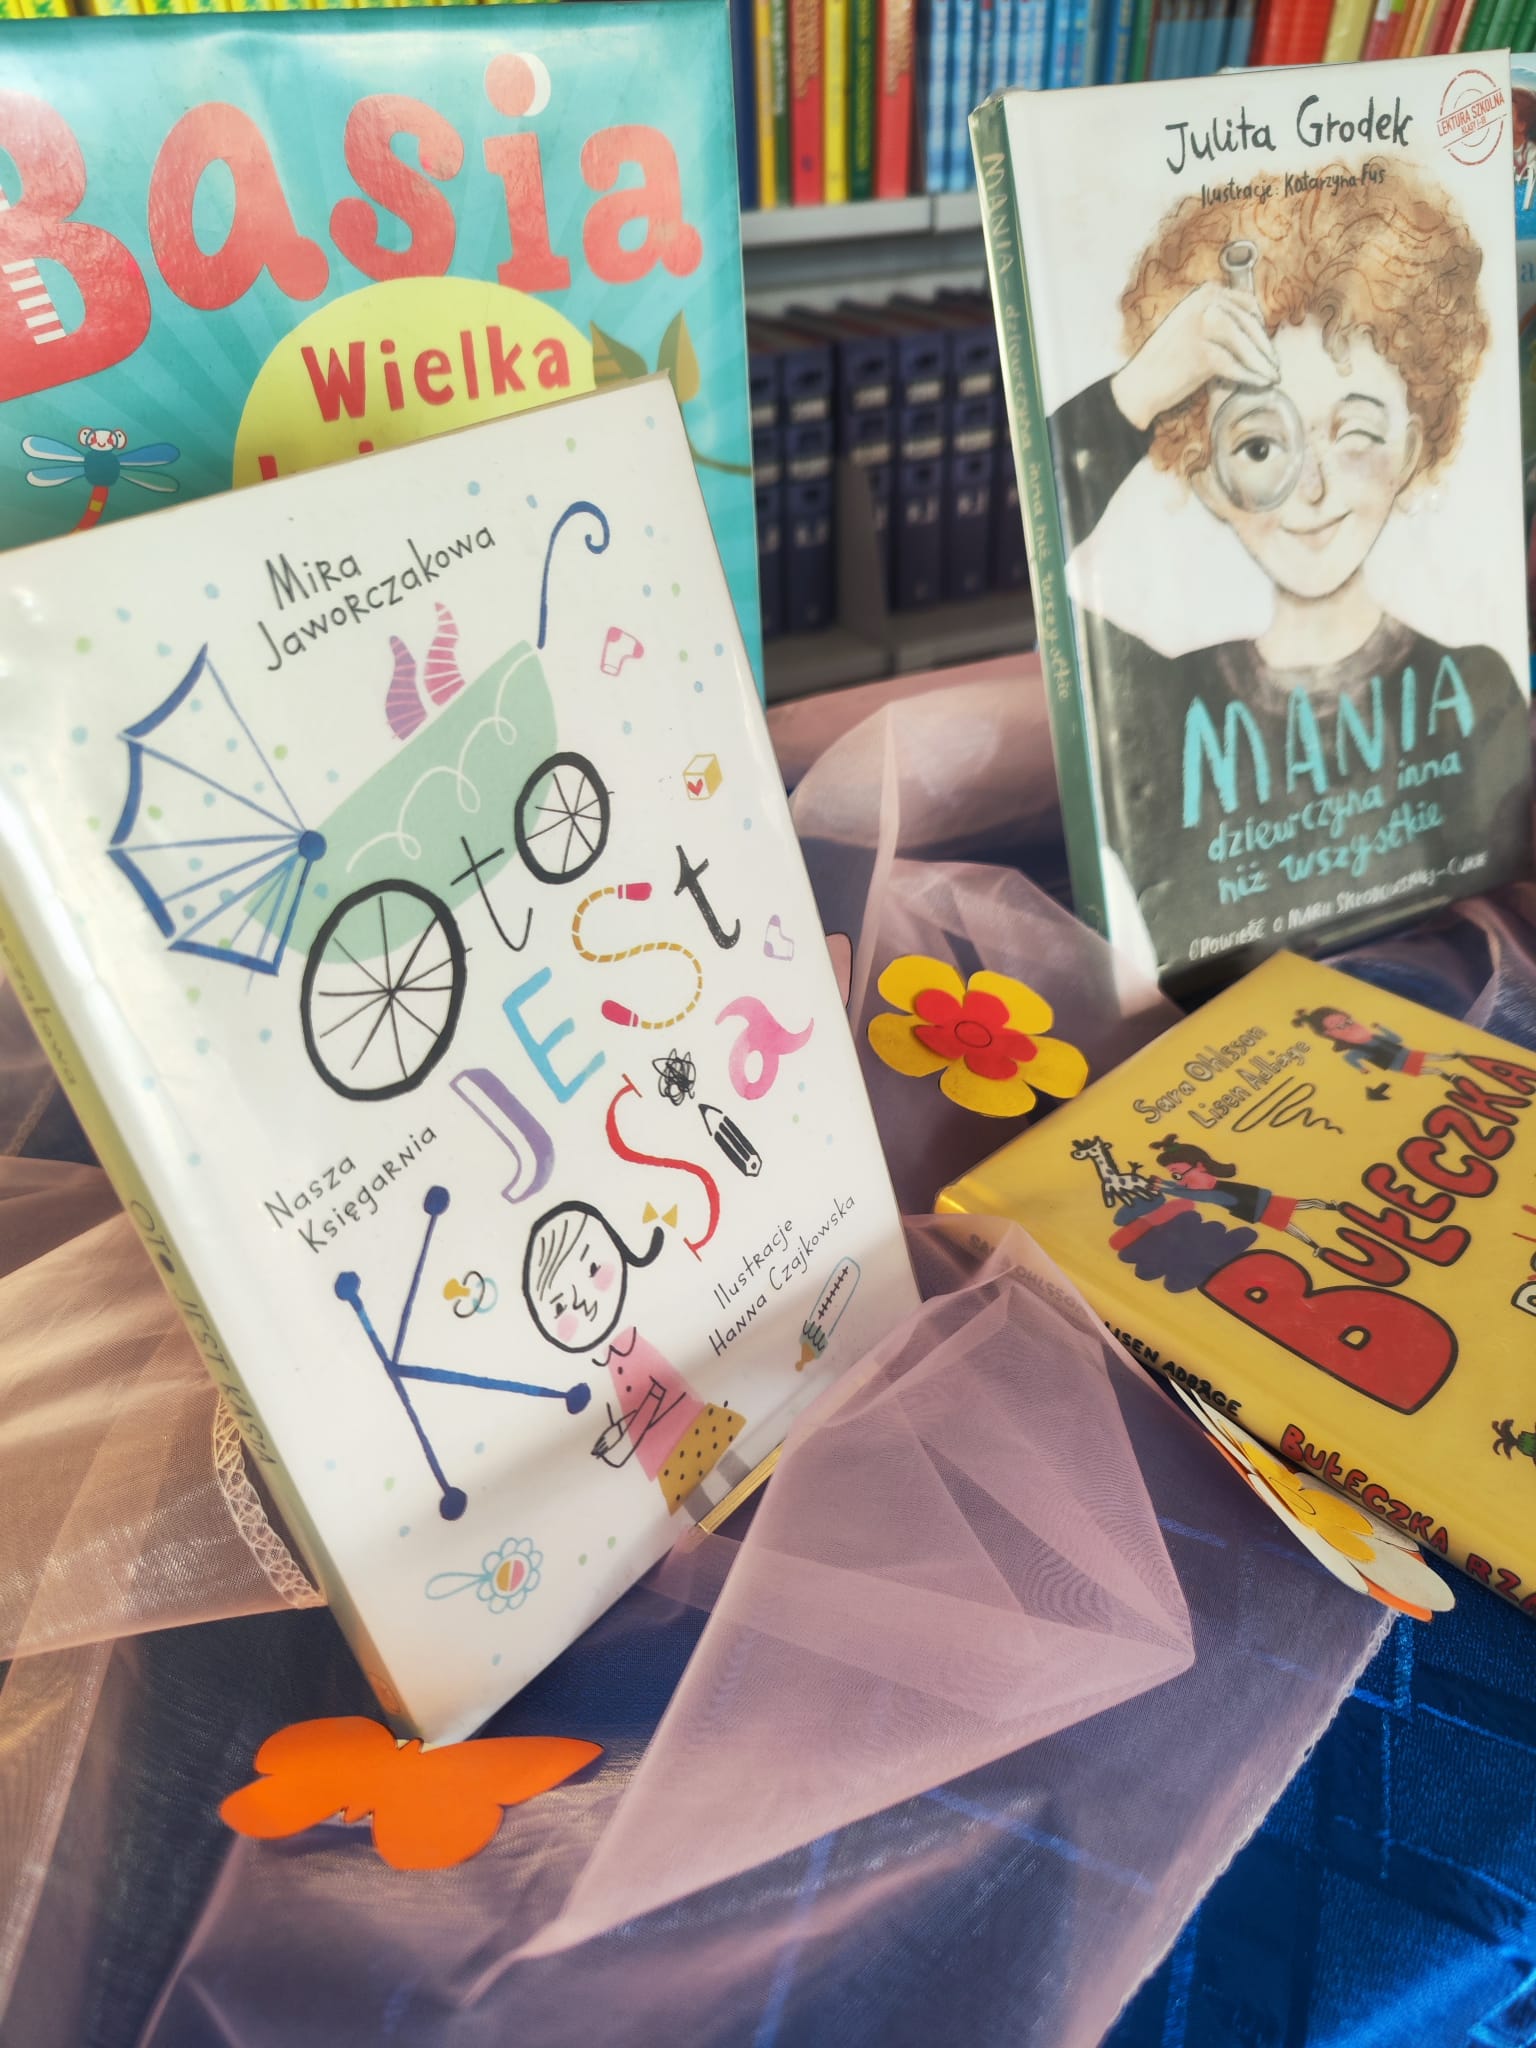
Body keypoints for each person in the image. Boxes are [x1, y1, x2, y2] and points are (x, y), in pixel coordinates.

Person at [1053, 157, 1531, 975]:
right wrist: (1143, 387)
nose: (1311, 490)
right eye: (1260, 446)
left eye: (1357, 434)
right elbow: (1043, 537)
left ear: (1414, 447)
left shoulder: (1474, 688)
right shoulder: (1152, 704)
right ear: (1205, 473)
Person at [1150, 1134, 1338, 1254]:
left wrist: (1164, 1187)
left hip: (1253, 1203)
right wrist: (1164, 1184)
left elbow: (1193, 1195)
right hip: (1252, 1207)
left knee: (1298, 1208)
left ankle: (1331, 1208)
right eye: (1174, 1177)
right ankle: (1316, 1245)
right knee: (1289, 1224)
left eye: (1177, 1175)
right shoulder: (1207, 1187)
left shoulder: (1210, 1192)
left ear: (1200, 1166)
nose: (1179, 1181)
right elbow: (1187, 1190)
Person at [1292, 1005, 1462, 1079]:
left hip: (1404, 1053)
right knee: (1431, 1069)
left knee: (1431, 1057)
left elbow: (1396, 1039)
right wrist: (1362, 1069)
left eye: (1348, 1021)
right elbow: (1349, 1058)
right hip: (1397, 1063)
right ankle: (1445, 1074)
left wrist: (1382, 1028)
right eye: (1340, 1026)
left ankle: (1452, 1057)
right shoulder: (1358, 1049)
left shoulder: (1374, 1037)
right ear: (1329, 1034)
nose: (1349, 1026)